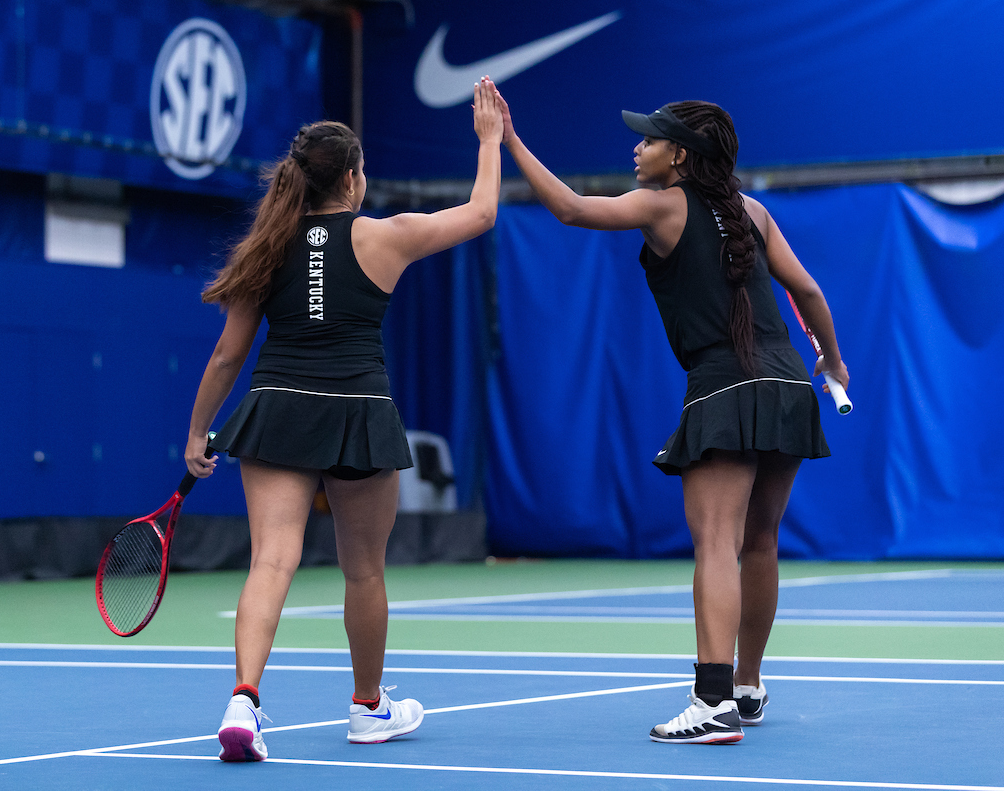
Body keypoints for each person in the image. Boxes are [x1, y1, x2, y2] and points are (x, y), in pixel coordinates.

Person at [490, 82, 848, 744]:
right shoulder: (755, 213)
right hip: (791, 385)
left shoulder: (660, 208)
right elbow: (810, 291)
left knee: (716, 543)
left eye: (649, 138)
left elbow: (569, 210)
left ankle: (711, 703)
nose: (638, 147)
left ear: (679, 158)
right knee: (759, 541)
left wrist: (505, 140)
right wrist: (832, 361)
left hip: (724, 384)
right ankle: (747, 686)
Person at [183, 80, 503, 761]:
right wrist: (488, 140)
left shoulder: (266, 247)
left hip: (278, 410)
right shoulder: (388, 236)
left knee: (271, 561)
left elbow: (226, 354)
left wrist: (195, 431)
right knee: (364, 571)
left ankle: (244, 702)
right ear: (354, 179)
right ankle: (366, 709)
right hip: (358, 412)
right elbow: (480, 215)